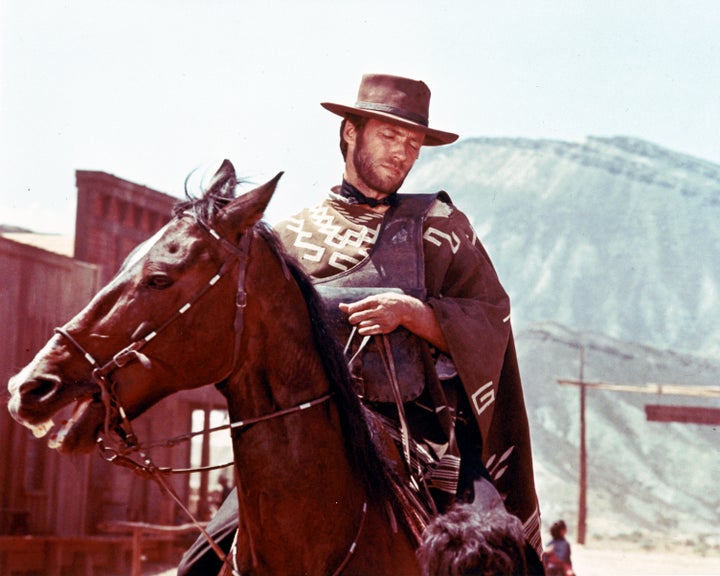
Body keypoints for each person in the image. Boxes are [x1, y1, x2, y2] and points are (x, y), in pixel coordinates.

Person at [178, 73, 544, 575]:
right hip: (306, 439)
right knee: (200, 563)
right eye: (390, 137)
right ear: (350, 132)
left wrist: (416, 314)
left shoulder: (440, 228)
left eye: (413, 144)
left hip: (424, 438)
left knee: (496, 555)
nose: (403, 154)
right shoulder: (288, 240)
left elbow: (491, 320)